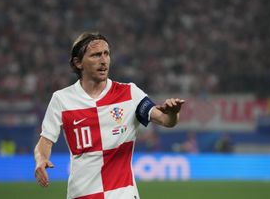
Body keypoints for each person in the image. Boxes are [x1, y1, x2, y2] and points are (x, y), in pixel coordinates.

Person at [34, 32, 185, 199]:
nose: (103, 60)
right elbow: (45, 141)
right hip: (82, 194)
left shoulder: (129, 93)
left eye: (106, 54)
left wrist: (173, 113)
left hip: (123, 194)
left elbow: (165, 120)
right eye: (96, 55)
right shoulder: (62, 99)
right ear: (78, 63)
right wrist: (41, 160)